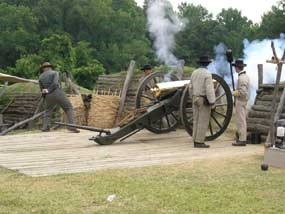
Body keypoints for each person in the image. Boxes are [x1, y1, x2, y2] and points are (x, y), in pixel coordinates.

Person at [39, 62, 80, 133]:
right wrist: (49, 90)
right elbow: (55, 84)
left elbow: (42, 89)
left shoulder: (41, 77)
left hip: (48, 95)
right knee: (68, 108)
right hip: (57, 92)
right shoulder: (55, 73)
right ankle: (71, 127)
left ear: (43, 68)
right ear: (50, 67)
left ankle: (45, 127)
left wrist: (45, 95)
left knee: (47, 111)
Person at [190, 55, 216, 148]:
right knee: (203, 120)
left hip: (195, 97)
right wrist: (212, 102)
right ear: (207, 64)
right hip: (203, 99)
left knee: (195, 120)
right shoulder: (207, 74)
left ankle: (194, 139)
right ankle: (200, 141)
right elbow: (209, 89)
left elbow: (190, 87)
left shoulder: (194, 73)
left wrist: (192, 97)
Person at [232, 59, 250, 146]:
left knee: (241, 121)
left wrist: (235, 93)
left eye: (235, 66)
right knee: (240, 120)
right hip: (241, 101)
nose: (234, 68)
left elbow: (243, 92)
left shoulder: (242, 78)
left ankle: (242, 140)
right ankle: (241, 138)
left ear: (237, 67)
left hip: (241, 101)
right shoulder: (243, 76)